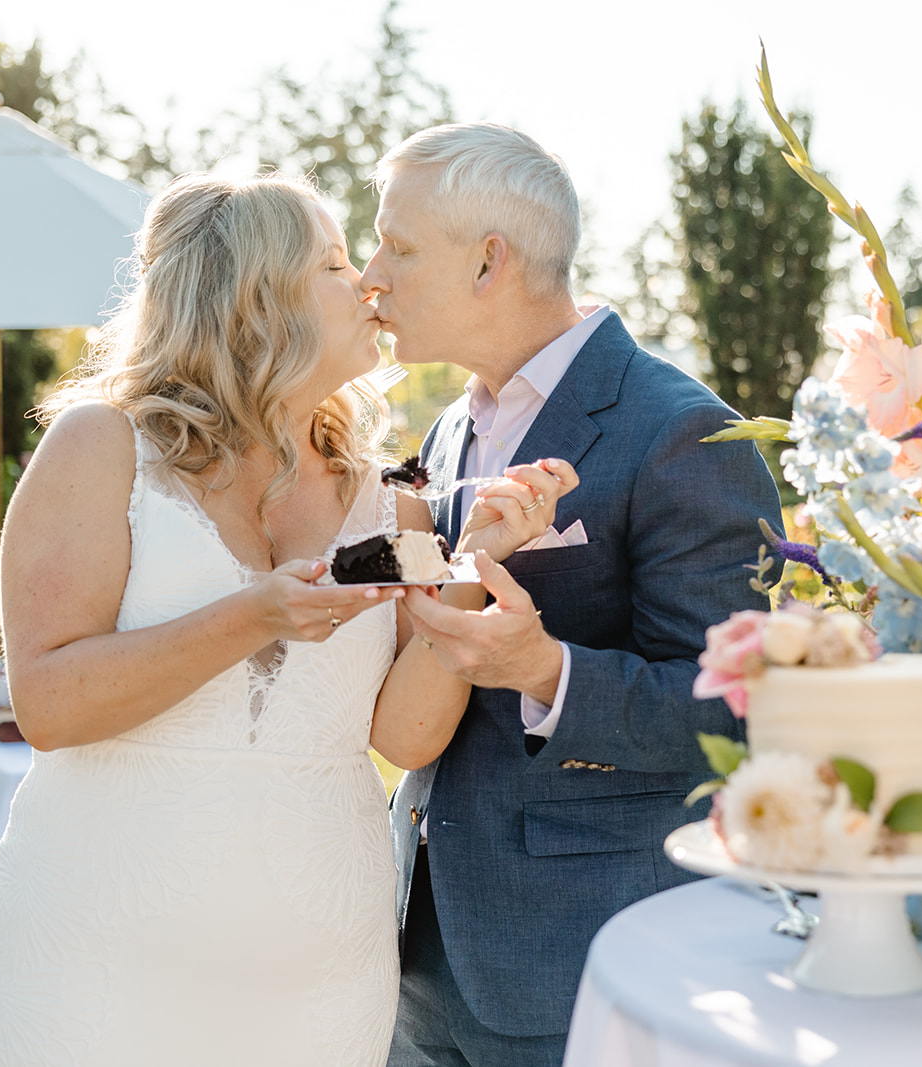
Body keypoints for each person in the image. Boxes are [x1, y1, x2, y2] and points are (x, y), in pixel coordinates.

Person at [0, 171, 575, 1066]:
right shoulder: (102, 448)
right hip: (96, 959)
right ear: (257, 298)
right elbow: (48, 705)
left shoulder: (391, 504)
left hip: (320, 979)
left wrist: (476, 558)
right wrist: (250, 615)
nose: (368, 278)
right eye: (332, 261)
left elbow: (405, 736)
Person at [361, 123, 783, 1067]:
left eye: (397, 243)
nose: (370, 273)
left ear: (487, 262)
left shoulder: (683, 435)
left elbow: (736, 714)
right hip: (419, 940)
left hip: (583, 962)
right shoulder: (443, 434)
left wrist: (544, 669)